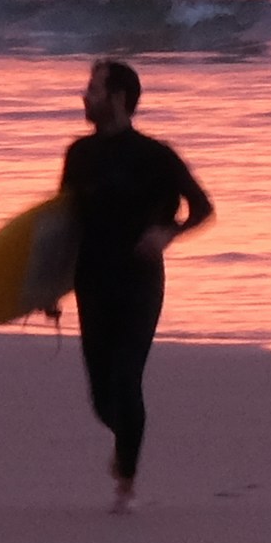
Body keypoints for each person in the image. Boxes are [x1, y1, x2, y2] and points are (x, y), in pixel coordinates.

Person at [55, 56, 216, 511]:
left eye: (93, 89)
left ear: (118, 98)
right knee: (102, 398)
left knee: (126, 379)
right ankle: (125, 441)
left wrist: (168, 233)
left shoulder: (155, 156)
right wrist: (47, 286)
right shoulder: (79, 155)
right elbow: (64, 225)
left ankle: (126, 479)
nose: (84, 96)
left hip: (139, 283)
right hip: (91, 280)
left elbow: (202, 207)